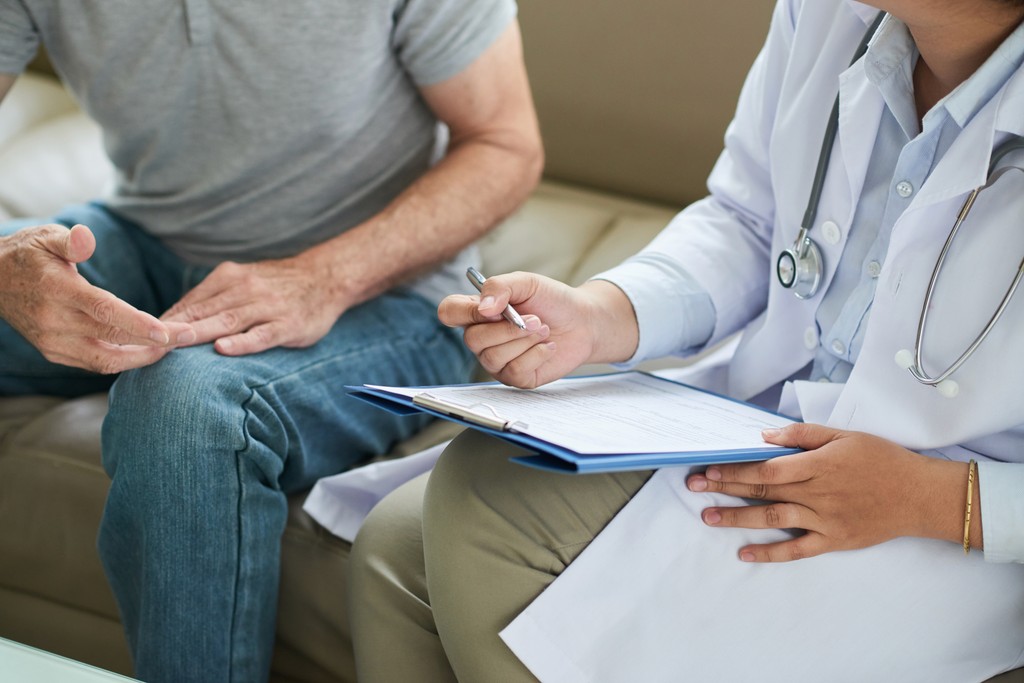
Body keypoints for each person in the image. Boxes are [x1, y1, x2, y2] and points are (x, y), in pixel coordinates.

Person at [347, 0, 1024, 680]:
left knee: (483, 501)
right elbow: (749, 221)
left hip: (949, 517)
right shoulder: (826, 15)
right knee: (394, 545)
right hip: (767, 427)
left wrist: (938, 499)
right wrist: (598, 315)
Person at [0, 0, 541, 681]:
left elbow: (505, 143)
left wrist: (324, 278)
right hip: (147, 240)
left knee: (185, 410)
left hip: (383, 292)